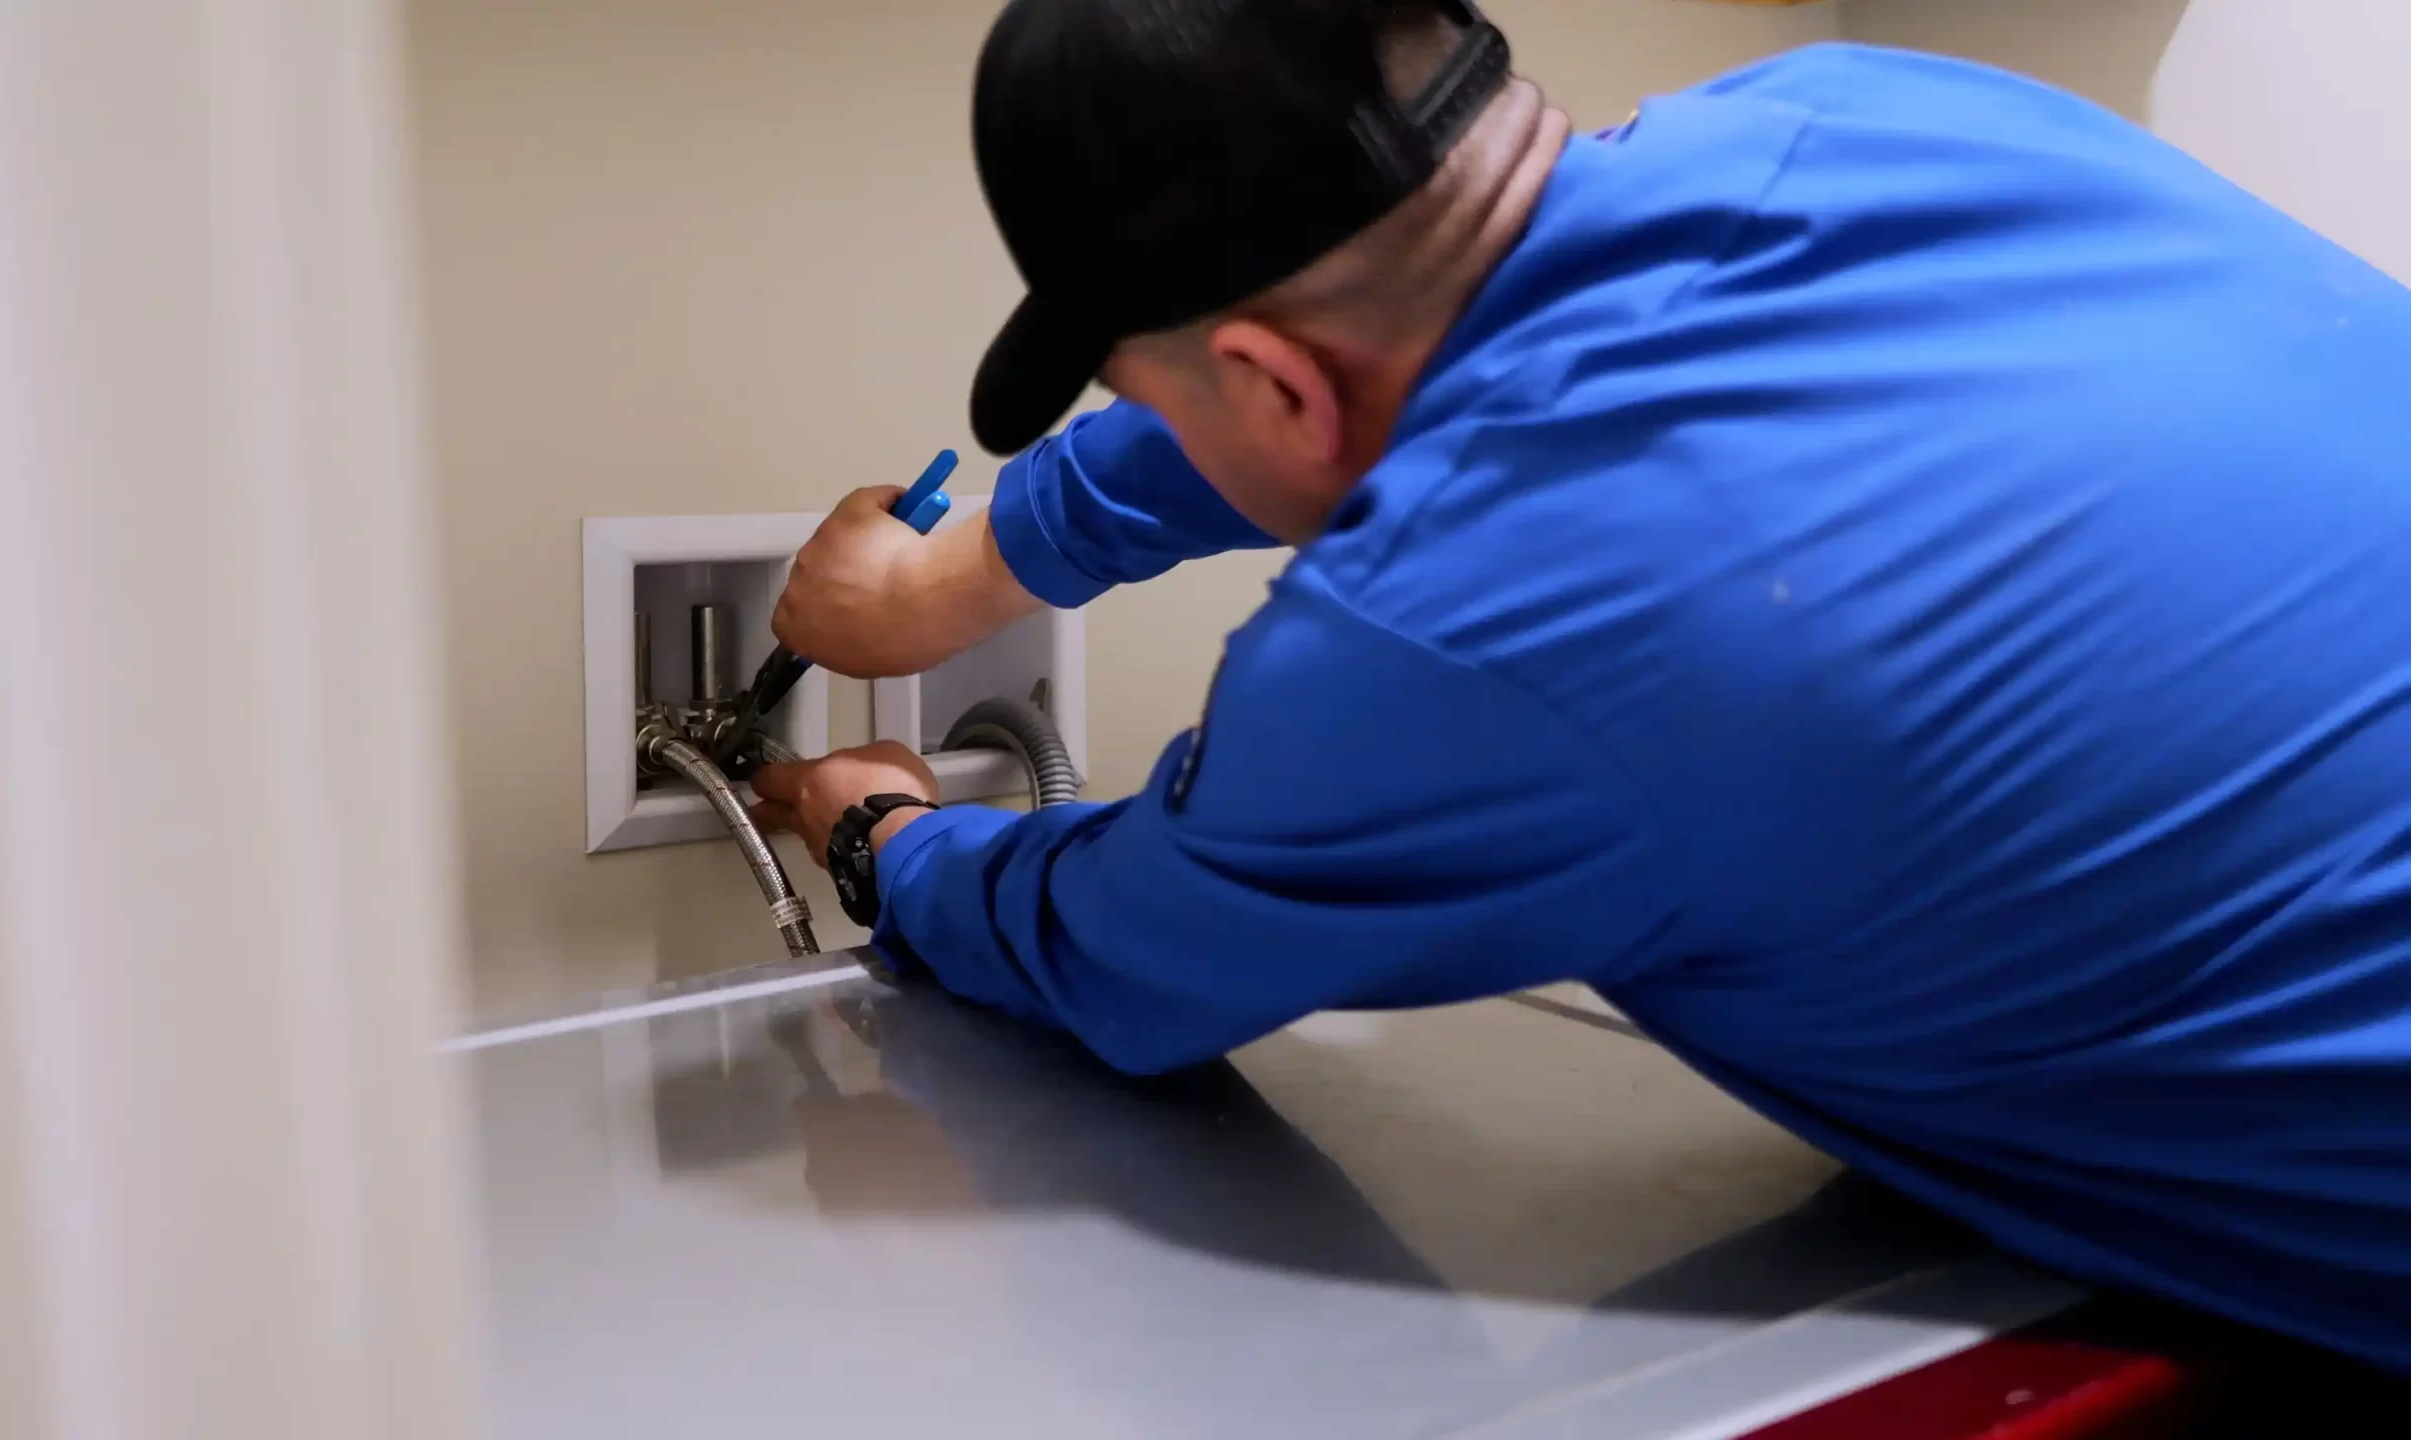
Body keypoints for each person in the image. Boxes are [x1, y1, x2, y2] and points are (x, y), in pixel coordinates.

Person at [749, 0, 2411, 1370]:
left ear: (1259, 378)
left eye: (1160, 401)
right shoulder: (1872, 115)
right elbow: (1473, 358)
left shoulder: (1455, 646)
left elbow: (1119, 952)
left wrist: (880, 838)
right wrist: (981, 562)